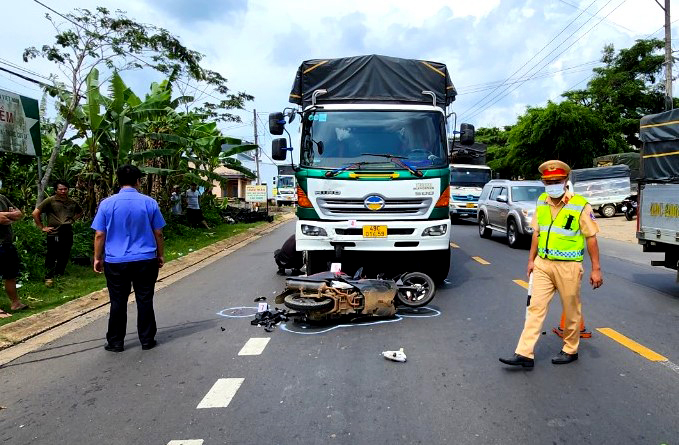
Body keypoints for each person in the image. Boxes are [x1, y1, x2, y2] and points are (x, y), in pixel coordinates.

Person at [499, 160, 603, 367]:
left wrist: (596, 269)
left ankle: (570, 349)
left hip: (569, 266)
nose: (552, 185)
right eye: (548, 182)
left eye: (556, 181)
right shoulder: (541, 201)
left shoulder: (580, 204)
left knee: (571, 309)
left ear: (565, 180)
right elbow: (537, 232)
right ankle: (524, 353)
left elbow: (591, 237)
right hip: (543, 265)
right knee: (535, 308)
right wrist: (531, 260)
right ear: (543, 182)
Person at [92, 165, 166, 352]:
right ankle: (147, 339)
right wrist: (160, 254)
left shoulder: (107, 204)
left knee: (117, 301)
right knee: (145, 299)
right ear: (138, 181)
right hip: (145, 259)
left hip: (116, 261)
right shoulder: (149, 202)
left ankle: (116, 342)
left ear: (118, 181)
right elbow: (158, 232)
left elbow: (100, 234)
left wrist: (97, 258)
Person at [32, 180, 83, 286]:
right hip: (54, 232)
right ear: (56, 190)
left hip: (67, 230)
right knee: (52, 254)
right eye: (60, 189)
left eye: (65, 189)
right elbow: (36, 213)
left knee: (64, 254)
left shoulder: (72, 202)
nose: (63, 191)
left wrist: (73, 220)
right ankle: (48, 276)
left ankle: (59, 275)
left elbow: (80, 212)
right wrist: (42, 227)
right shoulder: (50, 201)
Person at [0, 193, 29, 318]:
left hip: (7, 243)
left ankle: (16, 303)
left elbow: (19, 214)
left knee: (11, 274)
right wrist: (10, 215)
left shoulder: (2, 197)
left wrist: (8, 215)